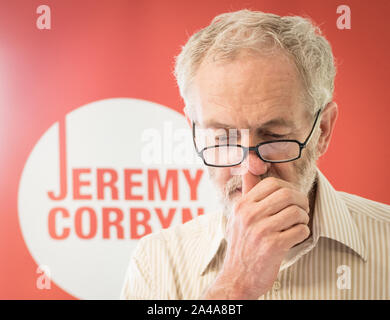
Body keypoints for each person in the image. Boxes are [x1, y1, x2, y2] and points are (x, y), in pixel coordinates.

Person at [120, 9, 390, 300]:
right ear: (194, 130)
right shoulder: (157, 263)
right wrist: (235, 286)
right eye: (223, 137)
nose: (250, 169)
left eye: (273, 136)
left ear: (322, 130)